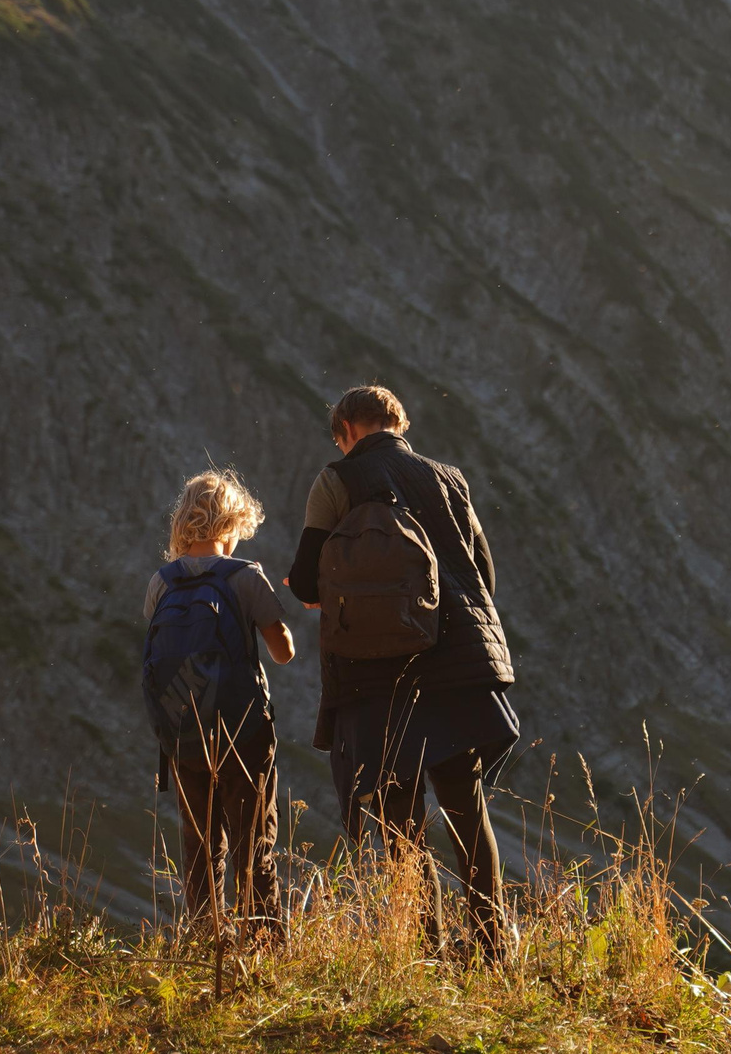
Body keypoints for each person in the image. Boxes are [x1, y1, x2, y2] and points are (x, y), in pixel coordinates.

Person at [287, 385, 517, 958]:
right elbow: (483, 572)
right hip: (458, 663)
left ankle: (424, 950)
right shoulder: (450, 478)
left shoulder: (335, 481)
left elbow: (307, 579)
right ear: (399, 423)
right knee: (467, 808)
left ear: (346, 430)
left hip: (376, 673)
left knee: (399, 816)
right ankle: (492, 948)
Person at [142, 467, 295, 940]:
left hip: (183, 735)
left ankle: (205, 942)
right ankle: (265, 947)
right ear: (230, 525)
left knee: (200, 847)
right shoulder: (244, 576)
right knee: (253, 845)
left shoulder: (161, 583)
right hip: (243, 733)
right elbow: (282, 650)